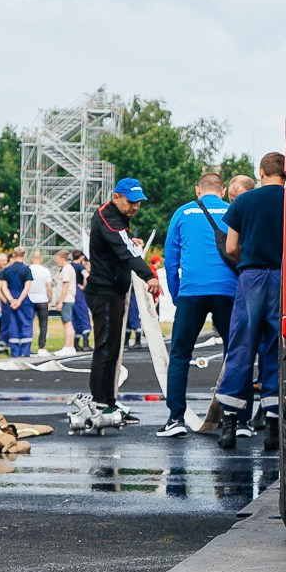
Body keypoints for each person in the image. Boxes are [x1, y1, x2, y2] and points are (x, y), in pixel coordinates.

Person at [158, 172, 239, 437]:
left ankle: (175, 418)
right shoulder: (232, 210)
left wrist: (175, 294)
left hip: (192, 290)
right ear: (223, 189)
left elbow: (171, 259)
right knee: (236, 353)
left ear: (197, 190)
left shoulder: (183, 213)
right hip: (228, 289)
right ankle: (237, 420)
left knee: (180, 355)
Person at [215, 153, 286, 450]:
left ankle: (229, 423)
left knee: (241, 345)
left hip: (251, 277)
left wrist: (247, 262)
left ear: (261, 172)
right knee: (275, 347)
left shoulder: (243, 202)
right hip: (282, 278)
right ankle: (272, 425)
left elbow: (231, 247)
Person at [83, 179, 162, 427]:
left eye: (138, 202)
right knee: (105, 348)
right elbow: (124, 250)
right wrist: (148, 275)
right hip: (104, 291)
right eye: (131, 201)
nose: (135, 207)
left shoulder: (117, 217)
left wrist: (131, 240)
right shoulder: (108, 217)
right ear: (116, 197)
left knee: (114, 349)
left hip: (114, 289)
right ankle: (99, 402)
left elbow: (122, 244)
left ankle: (109, 400)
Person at [0, 249, 34, 356]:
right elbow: (27, 287)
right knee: (26, 324)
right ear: (24, 255)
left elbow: (4, 288)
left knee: (12, 324)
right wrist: (19, 300)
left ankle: (15, 351)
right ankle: (25, 351)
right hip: (23, 300)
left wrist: (11, 300)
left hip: (11, 299)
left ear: (13, 255)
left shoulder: (6, 270)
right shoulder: (26, 269)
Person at [27, 251, 54, 352]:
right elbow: (49, 287)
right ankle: (41, 346)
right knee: (43, 324)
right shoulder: (45, 270)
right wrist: (49, 298)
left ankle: (27, 345)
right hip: (42, 299)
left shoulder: (28, 269)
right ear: (40, 259)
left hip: (30, 298)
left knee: (29, 323)